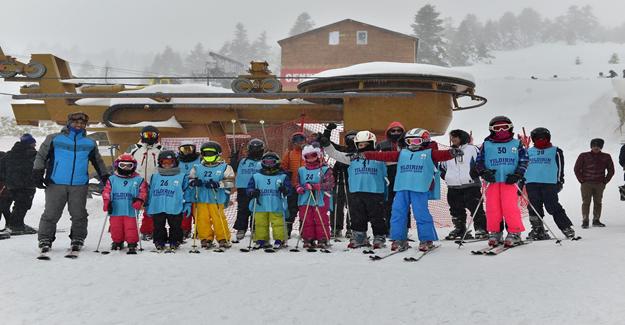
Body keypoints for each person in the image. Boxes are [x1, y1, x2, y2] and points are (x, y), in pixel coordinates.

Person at [365, 128, 460, 251]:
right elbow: (383, 155)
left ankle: (426, 239)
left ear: (424, 141)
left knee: (421, 214)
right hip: (402, 187)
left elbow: (441, 155)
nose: (412, 144)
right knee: (397, 213)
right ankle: (399, 238)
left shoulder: (428, 153)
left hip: (419, 188)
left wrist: (451, 152)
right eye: (409, 141)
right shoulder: (402, 153)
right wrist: (365, 154)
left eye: (416, 141)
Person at [33, 112, 109, 253]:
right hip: (56, 182)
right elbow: (41, 156)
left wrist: (104, 176)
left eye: (82, 123)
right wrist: (37, 172)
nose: (79, 125)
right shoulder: (54, 139)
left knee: (79, 213)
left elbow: (98, 161)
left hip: (79, 184)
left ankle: (78, 238)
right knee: (51, 213)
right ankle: (45, 239)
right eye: (75, 122)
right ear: (68, 123)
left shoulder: (89, 143)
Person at [322, 131, 388, 249]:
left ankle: (379, 237)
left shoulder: (379, 157)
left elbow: (394, 160)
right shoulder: (352, 158)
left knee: (377, 216)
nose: (363, 147)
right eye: (360, 145)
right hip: (356, 192)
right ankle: (359, 236)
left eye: (366, 144)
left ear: (372, 143)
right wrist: (327, 145)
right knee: (357, 216)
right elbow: (335, 154)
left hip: (375, 192)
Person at [476, 116, 528, 247]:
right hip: (492, 181)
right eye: (497, 128)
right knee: (492, 207)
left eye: (504, 127)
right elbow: (479, 161)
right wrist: (484, 172)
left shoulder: (516, 143)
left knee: (510, 207)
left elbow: (524, 160)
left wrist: (518, 174)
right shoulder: (487, 144)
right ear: (491, 130)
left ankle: (515, 232)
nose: (500, 130)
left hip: (509, 181)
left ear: (510, 128)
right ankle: (495, 232)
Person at [524, 127, 576, 239]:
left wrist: (560, 180)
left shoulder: (556, 151)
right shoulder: (528, 152)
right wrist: (521, 181)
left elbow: (560, 166)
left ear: (548, 138)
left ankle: (566, 227)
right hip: (532, 182)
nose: (540, 140)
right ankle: (538, 230)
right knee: (534, 207)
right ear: (533, 139)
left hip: (549, 183)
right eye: (537, 138)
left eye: (543, 138)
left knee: (552, 206)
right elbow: (524, 167)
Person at [439, 129, 487, 240]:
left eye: (456, 137)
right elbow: (442, 167)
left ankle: (481, 229)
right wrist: (447, 177)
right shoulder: (449, 152)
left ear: (463, 137)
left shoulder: (472, 149)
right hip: (453, 187)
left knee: (475, 208)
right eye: (452, 137)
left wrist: (476, 172)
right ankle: (460, 229)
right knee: (455, 209)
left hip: (470, 185)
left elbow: (480, 162)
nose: (453, 139)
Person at [188, 141, 235, 249]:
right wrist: (194, 182)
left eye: (211, 153)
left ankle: (223, 238)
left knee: (218, 218)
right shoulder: (197, 167)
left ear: (218, 154)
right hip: (201, 197)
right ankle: (205, 238)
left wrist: (218, 184)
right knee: (201, 219)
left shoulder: (224, 167)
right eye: (206, 153)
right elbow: (190, 179)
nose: (208, 156)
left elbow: (230, 182)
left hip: (216, 198)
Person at [102, 154, 148, 253]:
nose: (125, 168)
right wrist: (107, 202)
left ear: (133, 166)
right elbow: (106, 191)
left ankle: (132, 242)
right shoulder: (112, 179)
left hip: (130, 209)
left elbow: (143, 192)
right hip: (116, 208)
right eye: (122, 165)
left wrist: (139, 200)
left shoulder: (138, 180)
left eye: (129, 166)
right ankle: (117, 241)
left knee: (131, 227)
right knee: (115, 226)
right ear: (117, 165)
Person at [146, 150, 191, 251]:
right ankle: (159, 241)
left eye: (170, 162)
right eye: (164, 162)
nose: (167, 165)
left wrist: (187, 204)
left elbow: (187, 190)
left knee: (175, 226)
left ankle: (175, 241)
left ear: (175, 162)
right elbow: (150, 191)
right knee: (158, 226)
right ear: (160, 163)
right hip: (157, 206)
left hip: (175, 206)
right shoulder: (155, 176)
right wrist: (148, 204)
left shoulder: (181, 176)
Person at [247, 152, 292, 250]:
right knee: (260, 223)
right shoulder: (256, 176)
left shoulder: (282, 176)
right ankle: (261, 239)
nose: (269, 165)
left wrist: (285, 190)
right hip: (260, 204)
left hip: (276, 204)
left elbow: (289, 189)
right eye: (266, 162)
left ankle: (280, 239)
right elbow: (249, 188)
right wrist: (252, 192)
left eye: (271, 162)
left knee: (278, 223)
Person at [295, 145, 335, 249]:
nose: (311, 158)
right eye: (307, 156)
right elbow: (298, 182)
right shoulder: (301, 170)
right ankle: (308, 238)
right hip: (305, 199)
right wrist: (299, 188)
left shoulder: (324, 169)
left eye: (313, 155)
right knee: (306, 219)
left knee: (320, 218)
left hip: (320, 198)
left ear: (317, 155)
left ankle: (323, 238)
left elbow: (330, 184)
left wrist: (316, 186)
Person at [127, 125, 163, 240]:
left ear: (157, 136)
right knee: (133, 206)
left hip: (154, 183)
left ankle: (147, 230)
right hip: (137, 183)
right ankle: (128, 228)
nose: (149, 137)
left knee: (151, 208)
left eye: (152, 135)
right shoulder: (134, 149)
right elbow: (125, 162)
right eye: (146, 134)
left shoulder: (161, 150)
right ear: (141, 135)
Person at [321, 123, 356, 238]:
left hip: (352, 182)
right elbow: (327, 143)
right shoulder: (342, 149)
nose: (351, 140)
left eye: (354, 138)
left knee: (352, 206)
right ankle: (336, 228)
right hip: (338, 180)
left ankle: (352, 228)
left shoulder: (358, 154)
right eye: (349, 138)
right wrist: (328, 130)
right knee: (336, 205)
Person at [0, 134, 38, 235]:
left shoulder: (10, 154)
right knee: (23, 205)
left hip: (11, 186)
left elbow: (1, 168)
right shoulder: (33, 154)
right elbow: (40, 167)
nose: (35, 145)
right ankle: (16, 226)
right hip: (27, 185)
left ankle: (15, 224)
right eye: (34, 143)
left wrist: (6, 179)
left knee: (18, 205)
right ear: (30, 143)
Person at [574, 138, 614, 228]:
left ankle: (596, 220)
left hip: (599, 184)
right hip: (586, 183)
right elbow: (576, 169)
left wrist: (605, 181)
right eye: (594, 145)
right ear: (591, 146)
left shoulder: (606, 156)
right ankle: (585, 220)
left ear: (601, 147)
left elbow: (611, 170)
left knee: (598, 202)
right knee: (586, 202)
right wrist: (582, 180)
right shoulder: (583, 156)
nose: (596, 147)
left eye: (598, 146)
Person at [376, 122, 406, 235]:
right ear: (388, 132)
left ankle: (404, 228)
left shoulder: (406, 144)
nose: (396, 133)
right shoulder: (382, 145)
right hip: (388, 175)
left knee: (403, 202)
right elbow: (376, 159)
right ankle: (388, 227)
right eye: (393, 131)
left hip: (403, 174)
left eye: (399, 130)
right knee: (388, 203)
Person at [231, 139, 264, 241]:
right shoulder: (243, 161)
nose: (255, 151)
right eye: (253, 149)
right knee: (243, 209)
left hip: (258, 189)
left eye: (257, 149)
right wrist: (234, 157)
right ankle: (241, 228)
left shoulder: (263, 161)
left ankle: (255, 228)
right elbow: (233, 167)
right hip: (243, 188)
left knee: (256, 209)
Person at [281, 132, 307, 237]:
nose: (299, 143)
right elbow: (283, 166)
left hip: (306, 187)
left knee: (304, 208)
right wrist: (286, 172)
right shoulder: (290, 153)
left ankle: (304, 229)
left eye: (301, 140)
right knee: (291, 208)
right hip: (293, 185)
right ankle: (287, 228)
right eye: (297, 141)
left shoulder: (309, 152)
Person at [177, 141, 200, 238]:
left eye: (189, 149)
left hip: (196, 189)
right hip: (183, 190)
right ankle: (185, 229)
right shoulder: (177, 160)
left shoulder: (199, 159)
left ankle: (199, 229)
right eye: (184, 149)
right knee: (185, 211)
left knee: (197, 210)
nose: (187, 152)